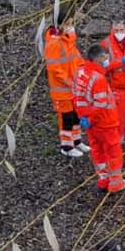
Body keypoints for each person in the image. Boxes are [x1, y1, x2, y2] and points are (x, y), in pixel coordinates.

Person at [72, 43, 125, 193]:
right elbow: (100, 105)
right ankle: (116, 183)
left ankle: (103, 180)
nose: (107, 60)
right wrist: (92, 119)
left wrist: (84, 118)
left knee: (98, 151)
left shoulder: (81, 72)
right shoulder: (98, 79)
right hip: (105, 123)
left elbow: (78, 98)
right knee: (113, 152)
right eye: (105, 57)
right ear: (100, 57)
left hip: (90, 125)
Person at [43, 22, 87, 158]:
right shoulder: (54, 43)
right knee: (66, 117)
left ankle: (77, 141)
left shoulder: (68, 39)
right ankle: (67, 147)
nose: (70, 26)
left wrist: (83, 73)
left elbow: (77, 59)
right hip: (62, 90)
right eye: (67, 23)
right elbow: (54, 68)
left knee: (76, 115)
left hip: (73, 86)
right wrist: (68, 81)